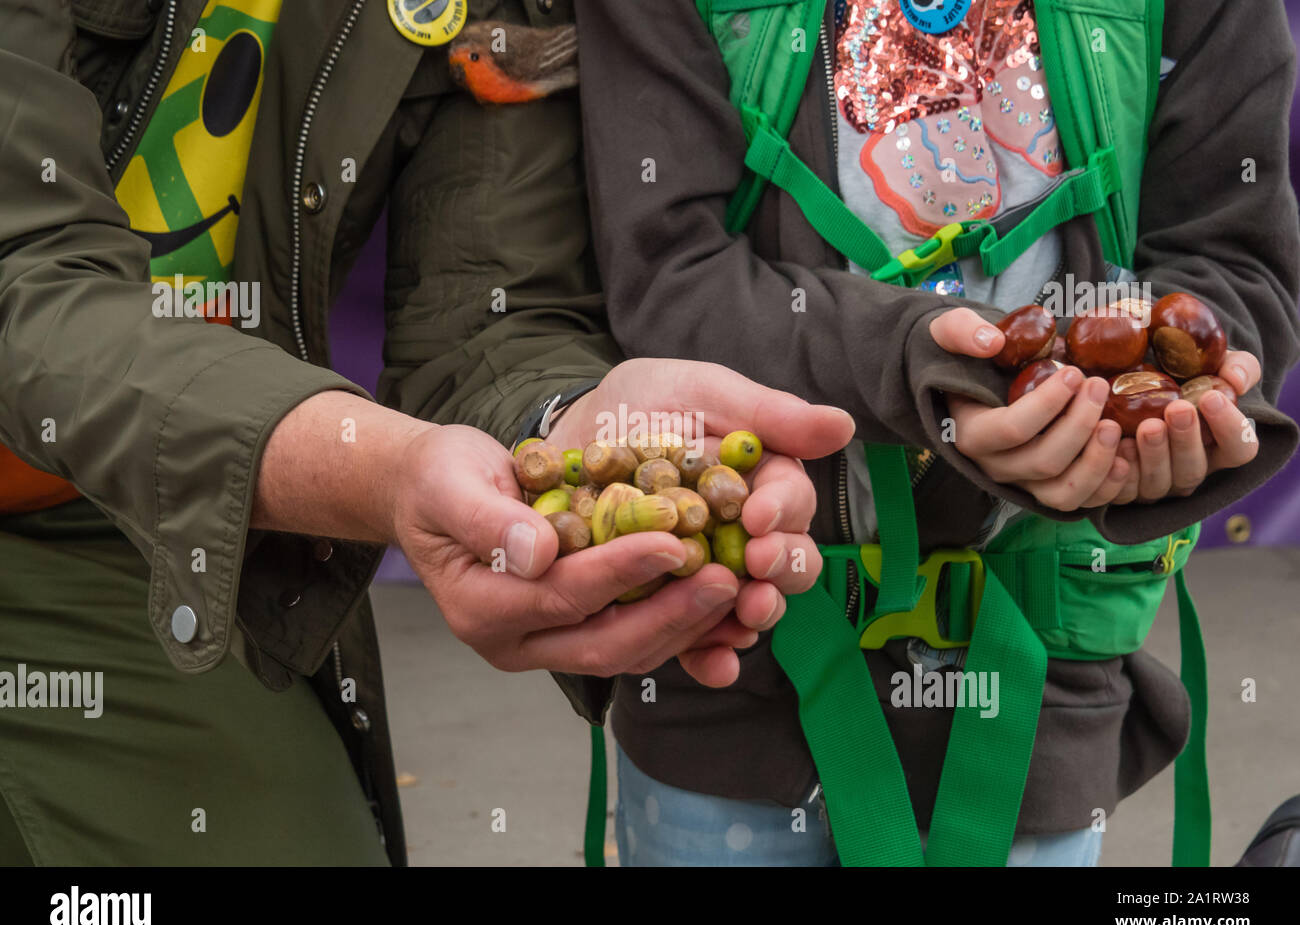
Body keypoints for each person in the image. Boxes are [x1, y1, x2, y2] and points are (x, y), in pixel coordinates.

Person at [0, 0, 852, 864]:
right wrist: (365, 464)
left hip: (152, 517)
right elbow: (21, 278)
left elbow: (491, 305)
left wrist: (555, 428)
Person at [569, 0, 1300, 864]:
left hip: (1042, 666)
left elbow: (1235, 267)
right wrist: (922, 365)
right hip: (736, 647)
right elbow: (667, 275)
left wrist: (1170, 421)